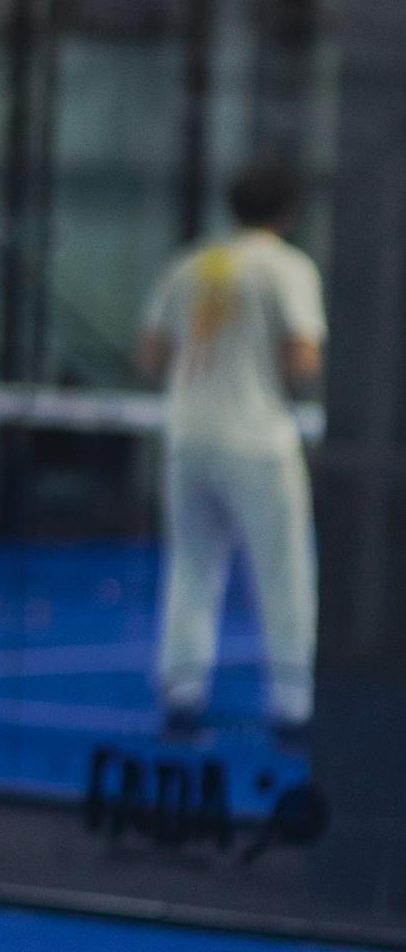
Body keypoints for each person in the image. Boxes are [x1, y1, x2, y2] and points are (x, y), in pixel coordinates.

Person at [135, 159, 326, 749]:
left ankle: (181, 698)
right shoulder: (288, 267)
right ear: (289, 211)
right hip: (258, 441)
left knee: (192, 569)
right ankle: (293, 707)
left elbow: (150, 356)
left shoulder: (190, 263)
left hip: (188, 436)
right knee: (284, 575)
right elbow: (303, 358)